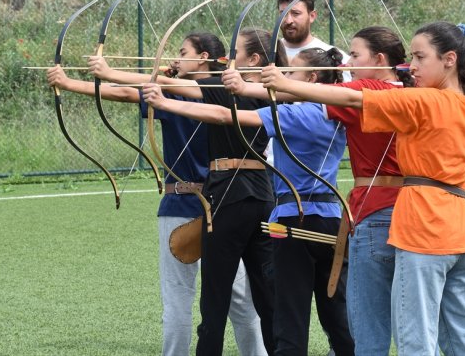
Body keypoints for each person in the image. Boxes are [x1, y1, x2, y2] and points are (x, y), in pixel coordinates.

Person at [259, 21, 465, 356]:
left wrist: (286, 85)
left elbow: (352, 97)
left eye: (419, 57)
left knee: (416, 337)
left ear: (450, 59)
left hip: (425, 227)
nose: (411, 66)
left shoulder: (425, 101)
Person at [48, 32, 267, 356]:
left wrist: (69, 83)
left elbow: (125, 93)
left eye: (183, 52)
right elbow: (128, 91)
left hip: (185, 202)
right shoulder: (232, 93)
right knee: (238, 297)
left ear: (204, 57)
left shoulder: (196, 92)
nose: (175, 58)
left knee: (179, 295)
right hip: (225, 202)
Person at [143, 47, 356, 356]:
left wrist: (163, 101)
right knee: (336, 316)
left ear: (310, 78)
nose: (284, 77)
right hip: (331, 220)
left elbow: (224, 115)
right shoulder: (338, 111)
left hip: (292, 222)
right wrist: (242, 86)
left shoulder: (295, 113)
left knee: (289, 318)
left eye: (291, 73)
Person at [224, 26, 413, 355]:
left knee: (352, 318)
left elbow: (323, 95)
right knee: (385, 317)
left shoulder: (366, 91)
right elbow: (321, 94)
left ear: (380, 59)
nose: (348, 62)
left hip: (365, 212)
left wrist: (249, 85)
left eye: (355, 55)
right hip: (406, 210)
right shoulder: (417, 92)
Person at [277, 0, 349, 64]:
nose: (288, 20)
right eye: (283, 14)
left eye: (296, 13)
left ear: (312, 16)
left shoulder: (330, 56)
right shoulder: (267, 51)